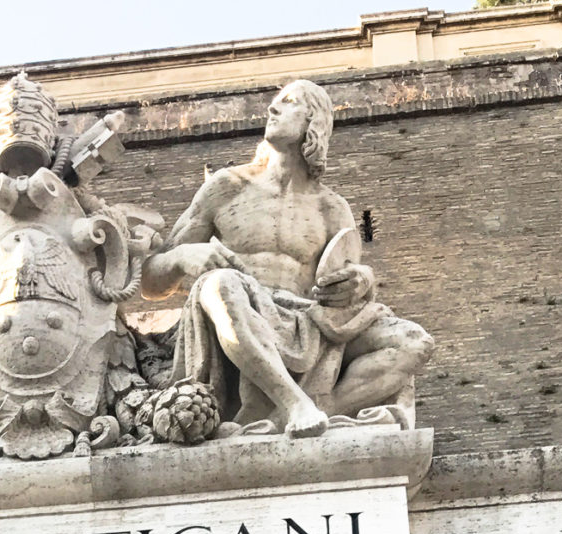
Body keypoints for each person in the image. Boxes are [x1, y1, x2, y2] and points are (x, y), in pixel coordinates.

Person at [141, 81, 433, 438]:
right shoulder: (226, 186)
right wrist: (185, 255)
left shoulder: (331, 207)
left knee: (414, 341)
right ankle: (295, 403)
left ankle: (311, 412)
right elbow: (150, 282)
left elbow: (344, 283)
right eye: (274, 103)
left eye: (288, 102)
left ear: (315, 122)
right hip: (240, 308)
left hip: (307, 320)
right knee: (218, 284)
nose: (272, 109)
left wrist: (361, 280)